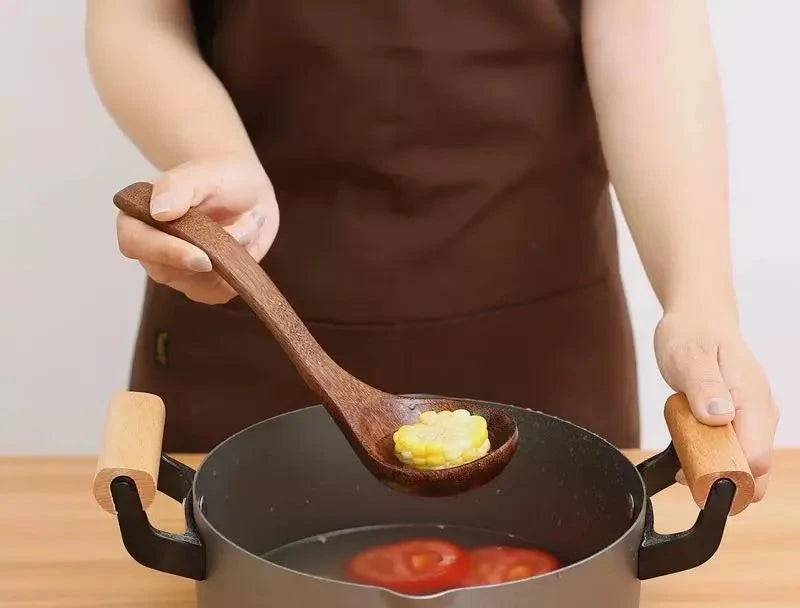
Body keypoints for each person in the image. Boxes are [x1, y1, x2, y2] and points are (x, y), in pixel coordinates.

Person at [86, 0, 777, 499]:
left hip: (542, 340)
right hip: (245, 306)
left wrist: (698, 303)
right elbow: (136, 16)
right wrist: (213, 158)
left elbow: (646, 25)